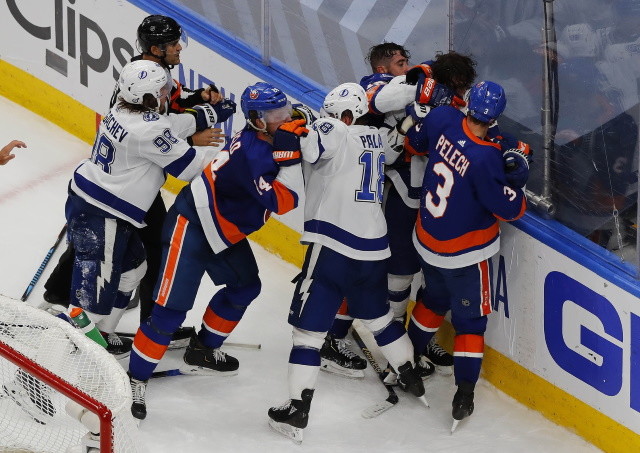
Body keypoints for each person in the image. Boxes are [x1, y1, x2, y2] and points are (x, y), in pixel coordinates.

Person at [41, 15, 229, 352]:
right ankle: (67, 348)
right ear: (156, 49)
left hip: (102, 192)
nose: (179, 47)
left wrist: (208, 112)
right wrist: (236, 153)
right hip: (108, 207)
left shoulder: (135, 92)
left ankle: (94, 328)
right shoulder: (149, 125)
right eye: (172, 43)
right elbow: (184, 163)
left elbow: (169, 117)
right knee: (93, 296)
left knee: (133, 267)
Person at [127, 82, 303, 421]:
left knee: (245, 286)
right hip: (193, 224)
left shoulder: (267, 134)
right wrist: (292, 156)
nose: (285, 119)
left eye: (285, 111)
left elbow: (301, 125)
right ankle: (135, 378)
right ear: (256, 120)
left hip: (225, 229)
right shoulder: (253, 154)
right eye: (275, 115)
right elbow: (284, 201)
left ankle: (203, 350)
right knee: (169, 312)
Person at [268, 83, 427, 444]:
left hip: (333, 245)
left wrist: (296, 132)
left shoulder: (333, 127)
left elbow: (309, 147)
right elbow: (394, 146)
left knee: (307, 335)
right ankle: (408, 374)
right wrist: (408, 123)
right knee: (380, 319)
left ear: (340, 114)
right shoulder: (374, 134)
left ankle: (297, 409)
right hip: (374, 248)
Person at [405, 81, 529, 431]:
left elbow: (414, 144)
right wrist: (518, 178)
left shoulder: (444, 116)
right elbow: (510, 209)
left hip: (427, 240)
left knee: (432, 298)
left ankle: (407, 360)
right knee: (470, 323)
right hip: (465, 255)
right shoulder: (486, 157)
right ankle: (464, 394)